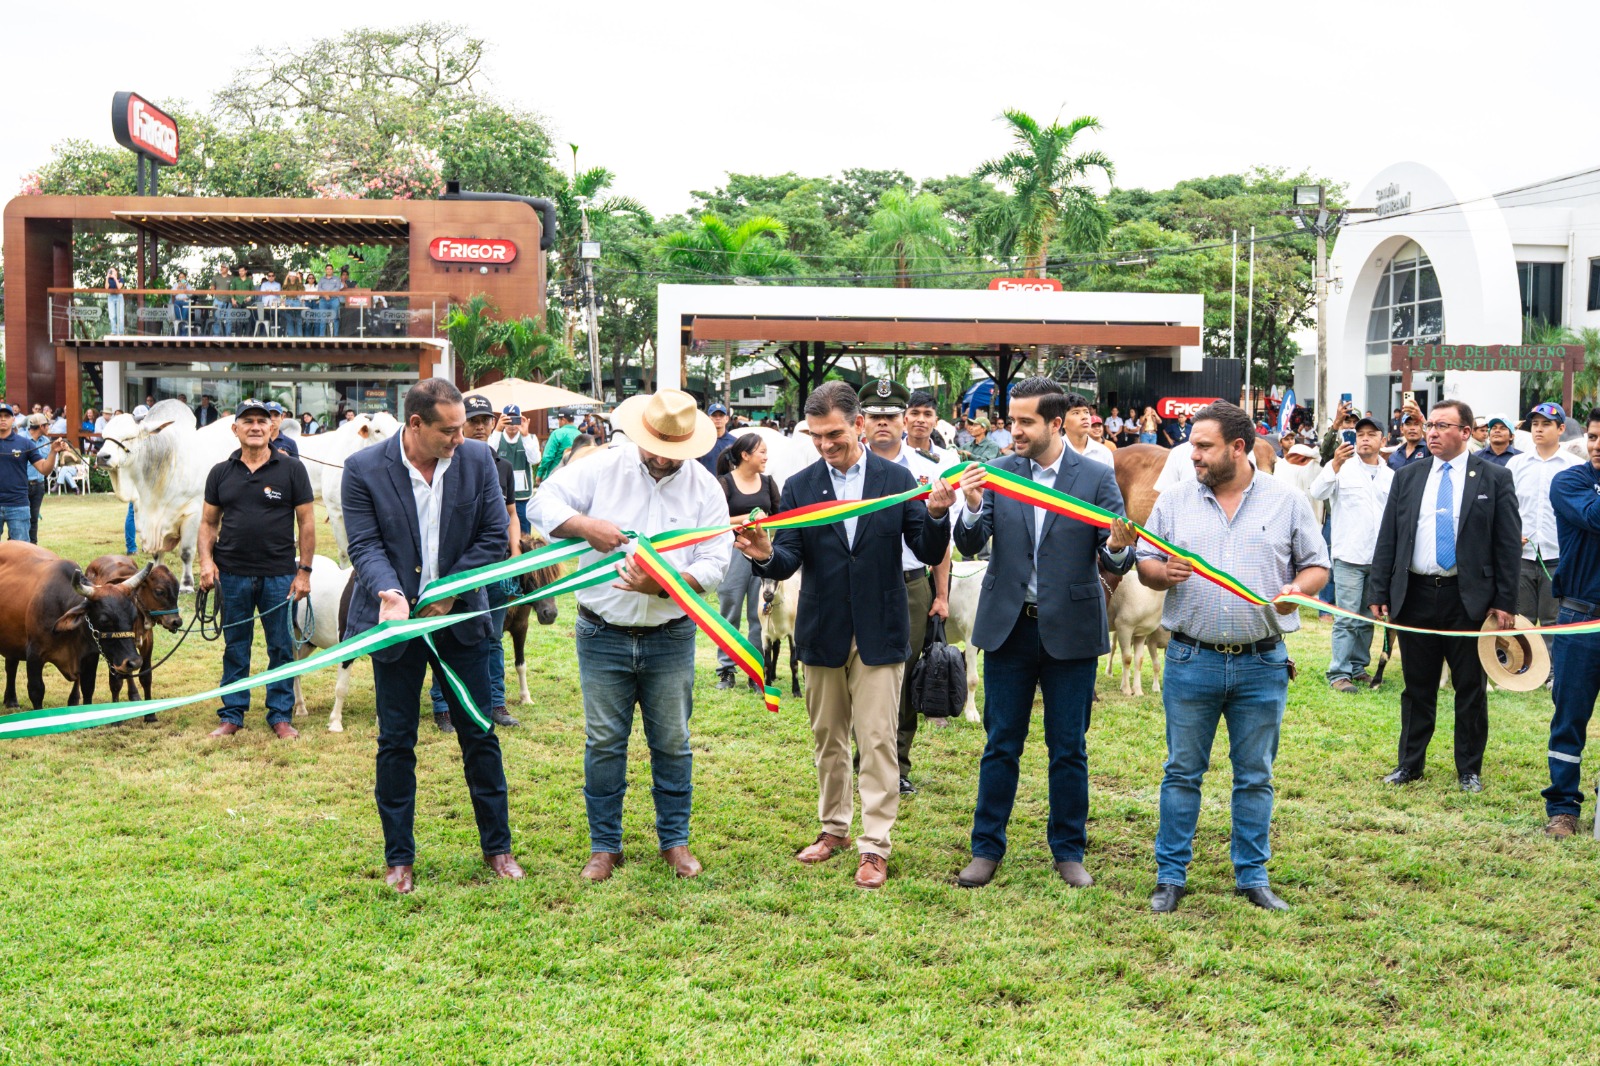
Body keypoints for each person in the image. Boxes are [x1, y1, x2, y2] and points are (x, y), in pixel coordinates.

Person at [734, 381, 954, 890]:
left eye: (833, 434)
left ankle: (875, 846)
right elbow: (789, 557)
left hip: (881, 626)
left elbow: (925, 548)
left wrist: (937, 513)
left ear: (858, 425)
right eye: (815, 436)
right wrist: (764, 553)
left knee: (877, 740)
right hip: (822, 628)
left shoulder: (897, 479)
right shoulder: (800, 486)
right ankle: (833, 829)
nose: (825, 444)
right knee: (827, 739)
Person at [529, 389, 732, 882]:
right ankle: (605, 846)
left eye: (673, 450)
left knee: (673, 742)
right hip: (602, 633)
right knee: (603, 742)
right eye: (655, 446)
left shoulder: (705, 487)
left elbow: (716, 561)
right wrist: (586, 526)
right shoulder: (602, 467)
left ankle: (675, 842)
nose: (662, 457)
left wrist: (664, 584)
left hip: (670, 635)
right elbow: (540, 503)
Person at [1136, 401, 1329, 913]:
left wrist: (1297, 590)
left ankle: (1252, 876)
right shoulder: (1175, 501)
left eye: (1204, 446)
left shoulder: (1287, 502)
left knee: (1255, 775)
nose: (1193, 455)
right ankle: (1170, 877)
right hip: (1190, 659)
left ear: (1238, 448)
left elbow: (1317, 565)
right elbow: (1145, 562)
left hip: (1261, 663)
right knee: (1182, 772)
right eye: (1192, 445)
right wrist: (1161, 573)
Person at [951, 377, 1136, 890]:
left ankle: (1069, 850)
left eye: (1025, 422)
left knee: (1068, 747)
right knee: (1000, 744)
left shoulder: (1095, 476)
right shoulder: (998, 472)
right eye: (1012, 420)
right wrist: (971, 504)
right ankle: (986, 848)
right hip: (1008, 629)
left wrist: (1118, 547)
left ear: (1056, 424)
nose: (1014, 430)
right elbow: (969, 542)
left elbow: (1117, 555)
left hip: (1071, 630)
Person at [342, 377, 524, 895]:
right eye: (450, 431)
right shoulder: (362, 469)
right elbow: (364, 545)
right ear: (416, 424)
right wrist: (390, 593)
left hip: (460, 621)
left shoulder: (478, 461)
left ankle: (498, 849)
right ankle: (399, 858)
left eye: (464, 428)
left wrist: (449, 591)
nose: (461, 439)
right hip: (396, 627)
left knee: (480, 734)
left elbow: (493, 536)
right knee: (395, 741)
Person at [1367, 399, 1520, 793]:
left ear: (1466, 432)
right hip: (1415, 595)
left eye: (1442, 426)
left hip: (1469, 600)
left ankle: (1469, 769)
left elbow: (1507, 546)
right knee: (1417, 686)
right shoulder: (1408, 476)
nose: (1432, 432)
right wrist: (1379, 588)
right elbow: (1389, 537)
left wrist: (1505, 601)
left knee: (1470, 688)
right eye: (1429, 425)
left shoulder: (1494, 478)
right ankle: (1409, 764)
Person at [197, 400, 315, 740]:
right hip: (232, 575)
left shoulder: (292, 469)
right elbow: (208, 523)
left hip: (279, 575)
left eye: (262, 421)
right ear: (235, 429)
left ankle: (280, 715)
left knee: (281, 647)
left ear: (272, 428)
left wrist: (304, 572)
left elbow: (307, 522)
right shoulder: (220, 472)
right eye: (247, 421)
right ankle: (232, 714)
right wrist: (206, 562)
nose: (255, 426)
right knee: (236, 645)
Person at [858, 379, 952, 794]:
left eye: (891, 416)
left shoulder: (928, 471)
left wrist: (942, 595)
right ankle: (862, 759)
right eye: (875, 416)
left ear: (904, 421)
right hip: (860, 584)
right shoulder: (847, 467)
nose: (883, 423)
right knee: (857, 674)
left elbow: (942, 539)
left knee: (906, 676)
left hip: (911, 584)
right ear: (861, 422)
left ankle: (896, 764)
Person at [428, 394, 523, 732]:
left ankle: (496, 701)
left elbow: (511, 514)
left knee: (492, 637)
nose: (480, 426)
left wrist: (515, 553)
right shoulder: (444, 463)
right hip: (457, 571)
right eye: (473, 420)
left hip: (494, 568)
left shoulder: (502, 466)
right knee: (443, 635)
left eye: (486, 420)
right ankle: (443, 705)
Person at [1544, 408, 1600, 837]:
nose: (1597, 446)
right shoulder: (1569, 482)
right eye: (1594, 437)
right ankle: (1563, 808)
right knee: (1569, 718)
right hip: (1580, 617)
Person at [1311, 416, 1395, 692]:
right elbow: (1317, 491)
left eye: (1372, 434)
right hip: (1349, 556)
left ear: (1384, 440)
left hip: (1379, 559)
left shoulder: (1390, 476)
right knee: (1347, 617)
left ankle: (1358, 668)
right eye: (1360, 435)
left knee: (1367, 617)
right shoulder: (1342, 469)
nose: (1365, 439)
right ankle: (1339, 672)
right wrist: (1334, 464)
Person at [1506, 403, 1581, 653]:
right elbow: (1506, 508)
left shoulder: (1574, 466)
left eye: (1546, 424)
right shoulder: (1516, 464)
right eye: (1535, 424)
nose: (1538, 429)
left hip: (1558, 555)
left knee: (1553, 620)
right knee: (1522, 619)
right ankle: (1523, 667)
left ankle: (1551, 670)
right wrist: (1511, 534)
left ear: (1561, 429)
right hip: (1522, 555)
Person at [713, 433, 779, 691]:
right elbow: (714, 521)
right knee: (729, 612)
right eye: (761, 452)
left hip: (761, 556)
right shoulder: (725, 483)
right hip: (732, 554)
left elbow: (780, 517)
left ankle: (755, 670)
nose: (766, 457)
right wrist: (747, 518)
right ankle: (726, 670)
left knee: (758, 614)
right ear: (745, 455)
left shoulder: (768, 483)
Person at [0, 404, 64, 541]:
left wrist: (53, 452)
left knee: (21, 551)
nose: (3, 419)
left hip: (18, 505)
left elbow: (44, 469)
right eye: (0, 416)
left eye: (6, 416)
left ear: (13, 420)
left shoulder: (24, 443)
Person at [487, 405, 541, 534]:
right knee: (500, 529)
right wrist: (497, 430)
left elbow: (535, 460)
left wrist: (525, 435)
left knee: (524, 532)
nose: (512, 424)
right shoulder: (495, 437)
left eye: (515, 420)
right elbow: (488, 456)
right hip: (500, 493)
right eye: (508, 420)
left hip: (523, 495)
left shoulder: (530, 438)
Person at [905, 390, 958, 467]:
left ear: (935, 422)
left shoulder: (950, 461)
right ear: (905, 420)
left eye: (927, 414)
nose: (921, 420)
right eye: (915, 413)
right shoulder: (892, 457)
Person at [1062, 393, 1114, 468]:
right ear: (1062, 422)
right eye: (1076, 413)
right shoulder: (1053, 453)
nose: (1084, 417)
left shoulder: (1104, 453)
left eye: (1086, 412)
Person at [24, 416, 49, 543]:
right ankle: (15, 546)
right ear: (41, 426)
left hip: (39, 485)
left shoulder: (46, 441)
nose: (48, 427)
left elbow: (48, 463)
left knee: (33, 519)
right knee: (19, 518)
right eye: (47, 425)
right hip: (22, 485)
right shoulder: (21, 440)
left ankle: (33, 546)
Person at [537, 412, 580, 484]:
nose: (558, 423)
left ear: (563, 420)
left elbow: (548, 457)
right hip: (574, 477)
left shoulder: (557, 433)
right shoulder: (580, 434)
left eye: (559, 420)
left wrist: (540, 473)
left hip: (555, 476)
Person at [696, 402, 739, 474]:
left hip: (726, 481)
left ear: (727, 419)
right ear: (708, 418)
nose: (718, 418)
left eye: (721, 415)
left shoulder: (734, 442)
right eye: (714, 415)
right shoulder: (700, 441)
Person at [315, 264, 343, 337]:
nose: (329, 270)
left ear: (332, 270)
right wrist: (325, 295)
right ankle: (322, 337)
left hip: (334, 300)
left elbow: (337, 288)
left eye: (330, 269)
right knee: (322, 318)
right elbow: (319, 289)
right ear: (325, 270)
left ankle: (335, 337)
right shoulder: (321, 279)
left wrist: (328, 295)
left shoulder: (337, 279)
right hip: (323, 300)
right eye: (327, 269)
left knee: (335, 318)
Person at [171, 270, 193, 336]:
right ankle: (180, 334)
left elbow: (190, 295)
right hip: (177, 302)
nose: (181, 278)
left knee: (184, 318)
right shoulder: (175, 285)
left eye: (183, 277)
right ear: (179, 278)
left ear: (185, 278)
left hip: (185, 302)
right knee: (179, 319)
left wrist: (185, 288)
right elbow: (173, 294)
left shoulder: (188, 285)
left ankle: (183, 335)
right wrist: (178, 288)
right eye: (180, 277)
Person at [106, 266, 126, 334]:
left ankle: (121, 332)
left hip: (119, 296)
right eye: (110, 271)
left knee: (120, 316)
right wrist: (107, 278)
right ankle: (113, 331)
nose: (111, 272)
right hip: (111, 296)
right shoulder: (109, 280)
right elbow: (106, 288)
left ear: (116, 272)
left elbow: (119, 287)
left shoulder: (121, 279)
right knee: (112, 316)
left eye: (112, 271)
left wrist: (115, 278)